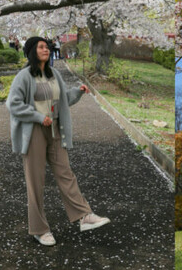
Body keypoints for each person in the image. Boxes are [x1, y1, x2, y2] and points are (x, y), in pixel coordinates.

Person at [6, 36, 110, 246]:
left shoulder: (54, 75)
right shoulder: (24, 76)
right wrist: (36, 116)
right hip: (34, 130)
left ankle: (84, 216)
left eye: (47, 47)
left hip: (54, 129)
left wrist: (78, 93)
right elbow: (13, 104)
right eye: (41, 47)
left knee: (65, 173)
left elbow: (62, 99)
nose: (46, 50)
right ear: (32, 51)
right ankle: (39, 229)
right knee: (35, 181)